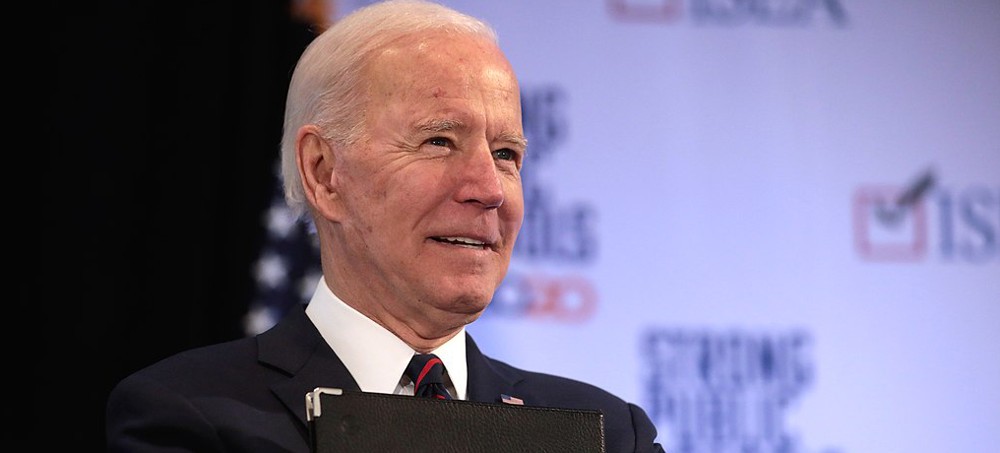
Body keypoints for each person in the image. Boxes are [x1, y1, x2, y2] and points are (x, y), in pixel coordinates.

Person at [105, 1, 664, 451]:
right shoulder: (194, 417)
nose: (489, 189)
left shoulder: (608, 435)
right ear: (324, 173)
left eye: (506, 154)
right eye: (438, 141)